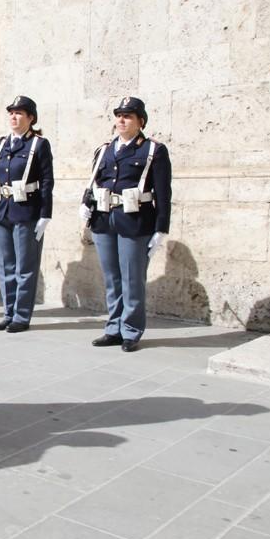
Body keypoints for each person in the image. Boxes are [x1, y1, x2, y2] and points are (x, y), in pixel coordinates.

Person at [81, 96, 171, 352]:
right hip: (103, 219)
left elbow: (163, 193)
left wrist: (161, 228)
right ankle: (113, 328)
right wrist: (85, 204)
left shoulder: (153, 150)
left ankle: (131, 330)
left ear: (140, 121)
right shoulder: (104, 150)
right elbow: (95, 182)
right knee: (112, 279)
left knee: (132, 279)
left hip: (135, 221)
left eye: (128, 116)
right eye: (119, 116)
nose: (122, 120)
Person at [0, 95, 54, 333]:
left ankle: (21, 316)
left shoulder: (38, 144)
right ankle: (8, 312)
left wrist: (45, 214)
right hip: (0, 210)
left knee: (25, 267)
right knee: (5, 265)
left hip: (26, 211)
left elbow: (47, 181)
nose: (14, 116)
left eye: (19, 113)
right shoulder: (1, 144)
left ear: (31, 118)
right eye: (11, 112)